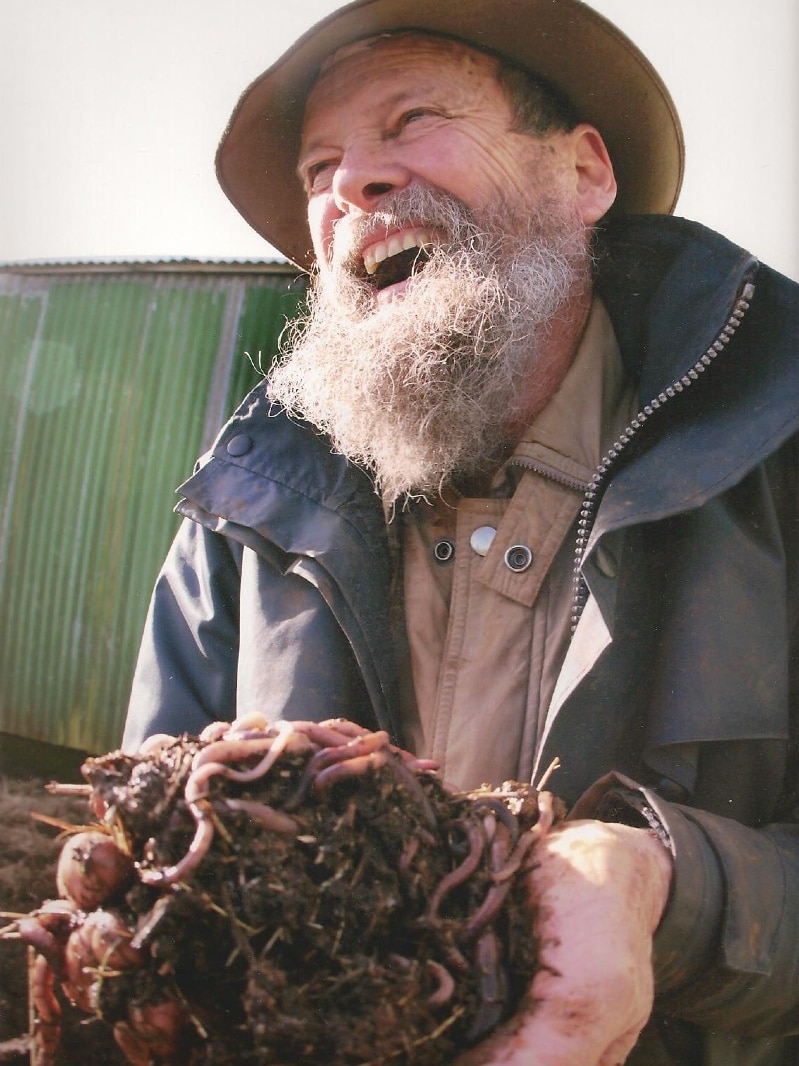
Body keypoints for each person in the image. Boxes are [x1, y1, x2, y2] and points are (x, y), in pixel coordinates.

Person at [123, 0, 799, 1062]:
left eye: (412, 118)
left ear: (583, 173)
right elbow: (154, 829)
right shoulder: (242, 516)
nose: (352, 183)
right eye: (318, 169)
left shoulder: (776, 454)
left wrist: (669, 898)